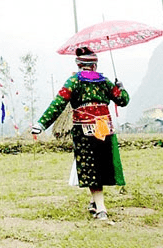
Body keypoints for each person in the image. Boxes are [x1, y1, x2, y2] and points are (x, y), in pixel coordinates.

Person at [32, 47, 129, 221]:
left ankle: (101, 208)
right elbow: (123, 100)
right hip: (104, 128)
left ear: (78, 64)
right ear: (95, 64)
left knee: (91, 167)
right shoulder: (105, 82)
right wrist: (121, 87)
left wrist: (41, 123)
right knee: (102, 164)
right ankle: (95, 202)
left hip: (84, 130)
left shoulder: (74, 81)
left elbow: (58, 103)